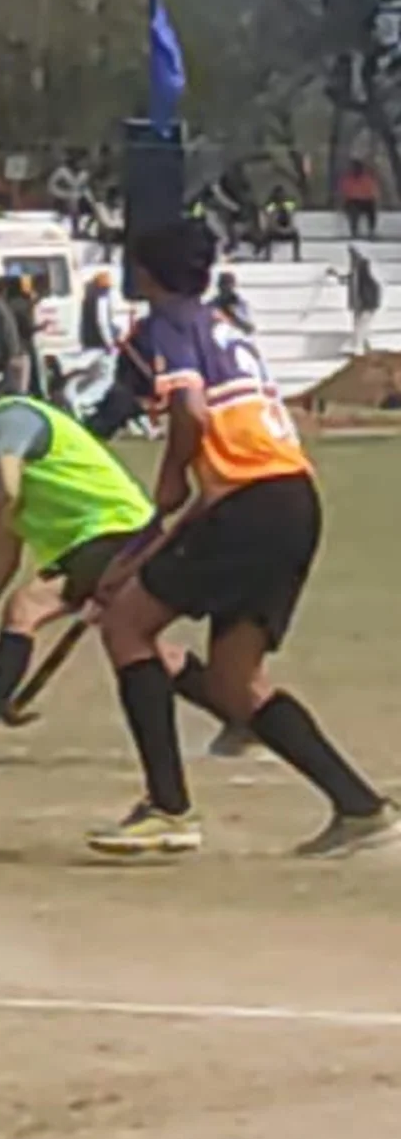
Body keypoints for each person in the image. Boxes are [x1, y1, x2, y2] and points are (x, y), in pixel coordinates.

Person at [88, 219, 396, 858]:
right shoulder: (223, 325)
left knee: (124, 624)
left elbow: (192, 411)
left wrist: (172, 478)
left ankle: (168, 809)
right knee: (233, 682)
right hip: (292, 498)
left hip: (247, 499)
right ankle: (361, 808)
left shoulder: (165, 326)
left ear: (146, 271)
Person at [0, 350, 169, 778]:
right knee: (144, 646)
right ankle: (240, 708)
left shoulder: (10, 422)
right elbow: (5, 560)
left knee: (25, 609)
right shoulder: (5, 449)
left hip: (120, 533)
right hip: (112, 538)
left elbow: (4, 496)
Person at [340, 245, 382, 353]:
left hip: (366, 304)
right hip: (361, 304)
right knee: (360, 326)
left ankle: (358, 348)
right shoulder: (358, 271)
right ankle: (363, 346)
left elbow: (370, 286)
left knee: (360, 326)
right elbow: (350, 279)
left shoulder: (363, 270)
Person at [339, 157, 380, 241]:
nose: (356, 170)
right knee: (353, 210)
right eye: (354, 168)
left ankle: (371, 231)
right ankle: (354, 231)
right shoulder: (347, 178)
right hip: (353, 201)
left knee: (372, 209)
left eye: (358, 168)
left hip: (366, 201)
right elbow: (344, 192)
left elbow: (373, 191)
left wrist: (372, 197)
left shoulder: (367, 178)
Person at [259, 185, 301, 262]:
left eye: (282, 194)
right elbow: (267, 213)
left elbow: (292, 210)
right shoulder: (271, 204)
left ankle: (296, 256)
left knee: (296, 234)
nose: (280, 196)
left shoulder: (288, 203)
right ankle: (267, 256)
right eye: (278, 194)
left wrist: (284, 205)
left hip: (287, 230)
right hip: (275, 230)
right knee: (267, 234)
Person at [211, 271, 254, 337]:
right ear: (218, 285)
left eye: (228, 284)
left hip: (235, 338)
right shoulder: (211, 305)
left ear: (233, 285)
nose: (225, 287)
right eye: (223, 284)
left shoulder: (242, 304)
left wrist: (233, 315)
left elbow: (249, 329)